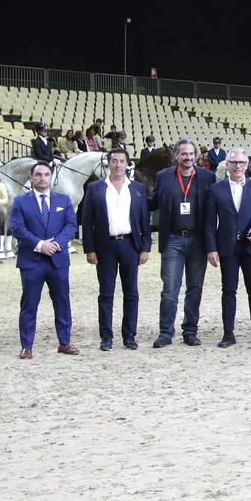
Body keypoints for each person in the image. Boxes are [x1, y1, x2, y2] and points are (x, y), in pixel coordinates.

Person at [148, 139, 216, 348]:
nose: (188, 157)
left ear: (195, 156)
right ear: (176, 156)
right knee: (170, 288)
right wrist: (133, 194)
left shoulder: (207, 177)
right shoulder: (164, 177)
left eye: (191, 154)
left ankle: (190, 331)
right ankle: (165, 333)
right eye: (184, 154)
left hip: (198, 240)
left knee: (194, 288)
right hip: (173, 240)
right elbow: (153, 202)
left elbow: (215, 209)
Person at [204, 148, 251, 347]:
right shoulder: (216, 190)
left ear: (247, 165)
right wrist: (211, 248)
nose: (237, 166)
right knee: (228, 291)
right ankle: (228, 334)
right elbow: (209, 223)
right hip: (227, 247)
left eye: (241, 163)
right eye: (233, 162)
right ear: (227, 165)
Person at [82, 147, 152, 351]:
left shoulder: (137, 188)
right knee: (106, 293)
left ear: (127, 164)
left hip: (130, 244)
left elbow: (144, 220)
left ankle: (129, 335)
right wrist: (90, 249)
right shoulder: (95, 188)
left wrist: (145, 246)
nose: (118, 164)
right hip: (105, 246)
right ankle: (106, 336)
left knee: (131, 292)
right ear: (108, 163)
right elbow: (87, 222)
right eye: (114, 161)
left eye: (122, 161)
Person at [10, 160, 78, 358]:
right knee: (29, 304)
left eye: (46, 174)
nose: (42, 178)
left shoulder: (63, 200)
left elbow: (70, 226)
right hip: (31, 260)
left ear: (51, 177)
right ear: (31, 178)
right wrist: (40, 245)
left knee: (62, 302)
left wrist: (56, 244)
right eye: (38, 174)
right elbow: (17, 228)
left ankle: (64, 342)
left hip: (58, 259)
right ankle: (27, 346)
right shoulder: (20, 202)